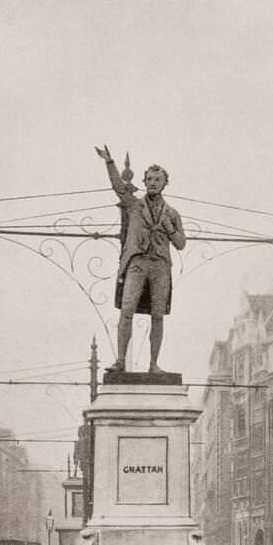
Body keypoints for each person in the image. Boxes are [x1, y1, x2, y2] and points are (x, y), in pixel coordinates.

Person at [96, 144, 187, 374]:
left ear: (165, 183)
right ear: (144, 182)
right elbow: (118, 186)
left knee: (158, 315)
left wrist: (169, 228)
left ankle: (153, 364)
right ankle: (120, 361)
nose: (153, 183)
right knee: (127, 309)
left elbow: (181, 243)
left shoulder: (172, 213)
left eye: (158, 179)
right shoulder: (134, 205)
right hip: (137, 263)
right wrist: (109, 162)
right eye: (150, 179)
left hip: (160, 266)